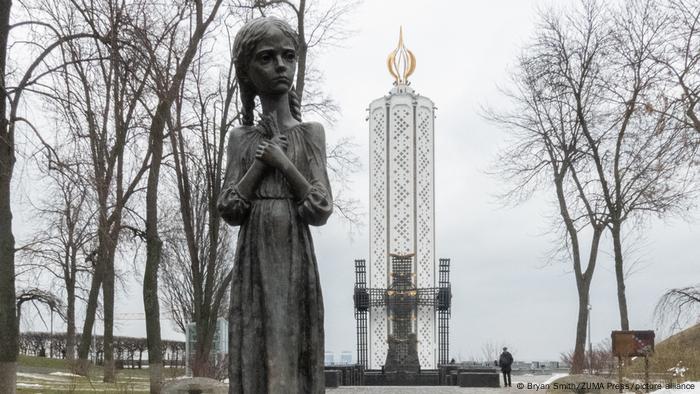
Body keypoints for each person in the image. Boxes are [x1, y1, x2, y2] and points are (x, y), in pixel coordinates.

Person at [217, 16, 333, 394]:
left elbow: (320, 207)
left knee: (293, 340)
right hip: (255, 254)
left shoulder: (310, 134)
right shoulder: (241, 138)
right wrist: (260, 164)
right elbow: (231, 208)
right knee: (256, 339)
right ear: (247, 72)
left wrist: (284, 164)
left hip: (295, 254)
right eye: (267, 58)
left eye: (288, 56)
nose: (281, 66)